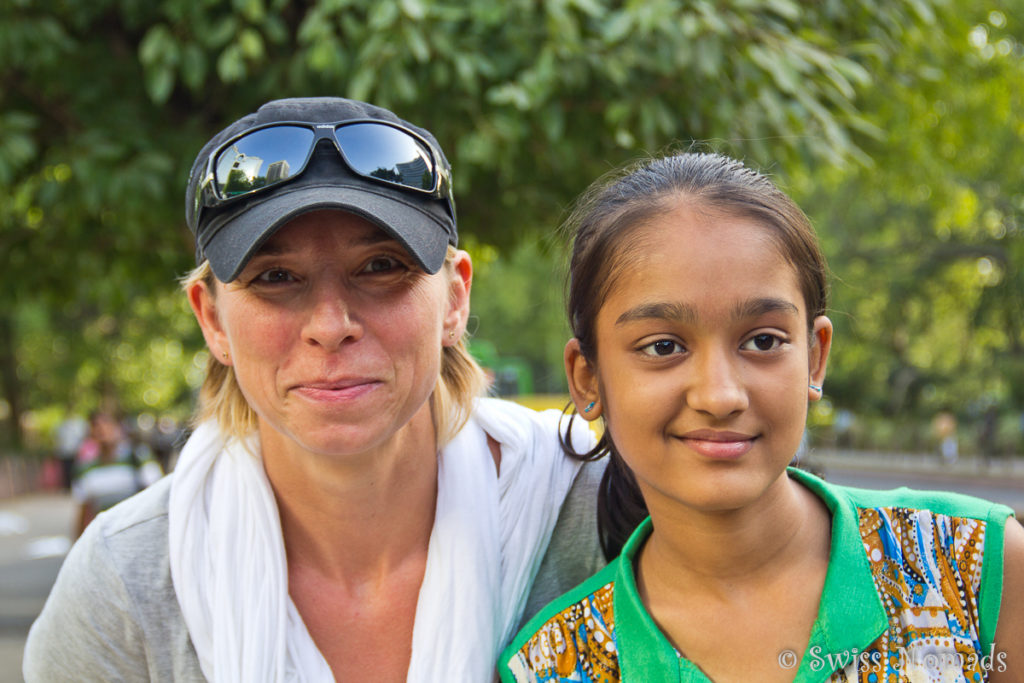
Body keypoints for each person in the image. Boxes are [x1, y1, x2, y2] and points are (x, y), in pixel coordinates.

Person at [24, 97, 605, 682]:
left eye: (380, 267)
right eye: (276, 277)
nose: (331, 326)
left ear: (455, 298)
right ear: (212, 321)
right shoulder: (126, 583)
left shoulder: (606, 511)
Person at [499, 152, 1024, 681]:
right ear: (588, 379)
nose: (721, 395)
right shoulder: (554, 663)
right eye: (662, 347)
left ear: (815, 357)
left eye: (763, 340)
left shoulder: (971, 567)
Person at [71, 410, 163, 537]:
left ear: (118, 427)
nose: (101, 429)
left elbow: (156, 493)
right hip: (104, 537)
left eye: (106, 423)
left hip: (137, 533)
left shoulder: (138, 458)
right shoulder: (85, 469)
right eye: (95, 425)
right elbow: (83, 508)